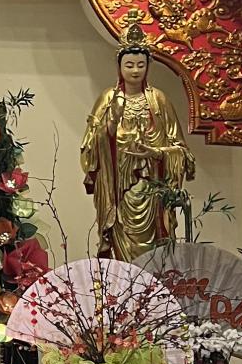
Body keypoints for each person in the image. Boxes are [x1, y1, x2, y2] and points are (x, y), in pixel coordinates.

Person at [80, 24, 193, 261]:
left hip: (153, 192)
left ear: (148, 67)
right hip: (119, 194)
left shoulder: (159, 101)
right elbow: (90, 147)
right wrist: (111, 124)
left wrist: (156, 153)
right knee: (124, 264)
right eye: (129, 65)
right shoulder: (109, 99)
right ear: (119, 67)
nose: (135, 70)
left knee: (155, 257)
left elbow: (181, 150)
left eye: (141, 65)